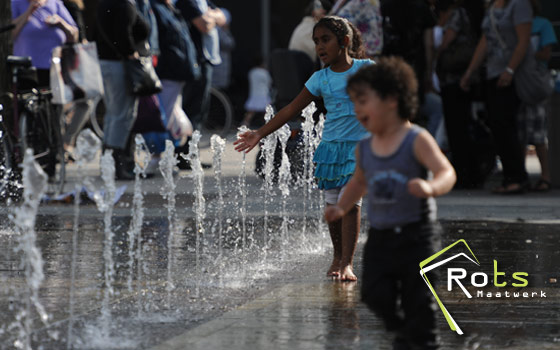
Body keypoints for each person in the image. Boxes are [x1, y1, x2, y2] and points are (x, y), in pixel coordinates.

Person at [325, 57, 456, 349]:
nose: (356, 110)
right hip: (382, 236)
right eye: (353, 102)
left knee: (418, 297)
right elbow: (358, 182)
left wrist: (431, 186)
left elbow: (446, 171)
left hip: (417, 235)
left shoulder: (416, 139)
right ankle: (402, 329)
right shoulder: (365, 147)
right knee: (373, 293)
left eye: (362, 101)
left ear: (391, 100)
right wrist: (341, 207)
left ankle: (424, 340)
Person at [235, 16, 373, 281]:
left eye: (325, 40)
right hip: (330, 149)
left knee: (351, 204)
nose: (319, 47)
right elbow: (290, 109)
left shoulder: (366, 69)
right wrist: (259, 133)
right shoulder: (320, 78)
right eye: (316, 42)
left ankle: (347, 263)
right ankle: (336, 256)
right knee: (332, 205)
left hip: (359, 149)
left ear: (344, 41)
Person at [460, 0, 532, 194]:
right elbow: (485, 41)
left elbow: (523, 40)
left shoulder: (519, 4)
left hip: (512, 75)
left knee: (508, 124)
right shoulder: (492, 6)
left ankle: (518, 177)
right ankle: (509, 176)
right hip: (492, 73)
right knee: (497, 125)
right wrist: (470, 71)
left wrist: (510, 69)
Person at [96, 0, 150, 180]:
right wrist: (130, 52)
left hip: (108, 63)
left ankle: (108, 163)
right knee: (123, 114)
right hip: (119, 64)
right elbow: (122, 32)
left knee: (113, 113)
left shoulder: (105, 3)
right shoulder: (123, 4)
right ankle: (116, 165)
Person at [145, 0, 200, 175]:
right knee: (164, 116)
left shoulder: (167, 9)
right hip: (168, 71)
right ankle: (160, 158)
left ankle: (165, 158)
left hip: (175, 72)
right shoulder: (157, 8)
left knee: (169, 115)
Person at [435, 0, 485, 188]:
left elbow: (446, 41)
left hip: (456, 77)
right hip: (458, 77)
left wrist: (435, 50)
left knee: (458, 128)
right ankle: (467, 173)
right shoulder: (465, 13)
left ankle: (466, 174)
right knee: (459, 127)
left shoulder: (457, 14)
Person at [517, 0, 557, 192]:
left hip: (535, 83)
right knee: (520, 133)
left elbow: (546, 54)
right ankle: (520, 175)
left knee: (539, 134)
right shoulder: (513, 21)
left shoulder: (542, 24)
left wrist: (524, 51)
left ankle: (545, 176)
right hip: (517, 81)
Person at [11, 0, 79, 87]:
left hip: (57, 71)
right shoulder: (15, 3)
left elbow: (74, 37)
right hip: (27, 73)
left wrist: (61, 23)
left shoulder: (55, 3)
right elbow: (9, 34)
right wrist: (29, 12)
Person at [241, 55, 272, 127]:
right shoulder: (264, 72)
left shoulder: (252, 72)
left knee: (251, 112)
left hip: (254, 93)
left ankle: (244, 124)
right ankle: (269, 126)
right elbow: (269, 82)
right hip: (263, 94)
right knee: (267, 112)